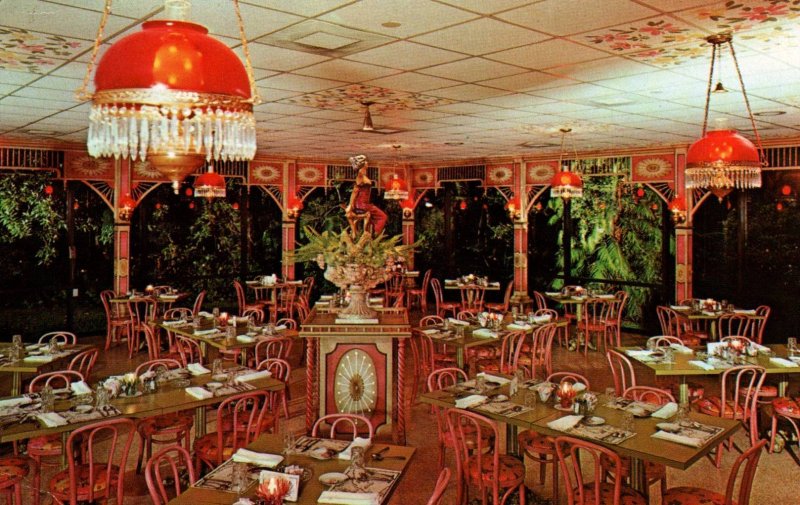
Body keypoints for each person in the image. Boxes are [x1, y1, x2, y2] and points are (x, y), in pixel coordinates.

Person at [345, 155, 387, 236]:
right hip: (362, 204)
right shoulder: (360, 176)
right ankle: (375, 235)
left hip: (363, 203)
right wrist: (350, 205)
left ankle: (372, 233)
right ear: (362, 164)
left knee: (375, 218)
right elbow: (355, 192)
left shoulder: (362, 175)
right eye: (365, 161)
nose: (367, 162)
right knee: (383, 216)